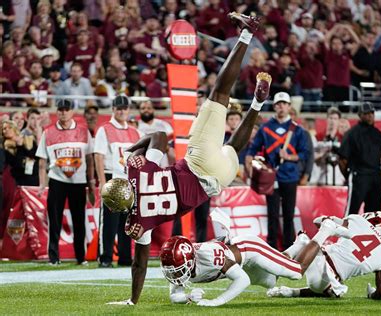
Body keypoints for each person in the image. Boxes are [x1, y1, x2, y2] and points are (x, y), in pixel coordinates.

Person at [104, 12, 269, 305]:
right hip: (196, 162)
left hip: (216, 183)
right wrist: (132, 152)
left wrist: (132, 301)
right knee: (219, 94)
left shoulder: (137, 223)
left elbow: (140, 264)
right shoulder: (136, 170)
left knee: (233, 147)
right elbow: (159, 136)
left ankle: (257, 103)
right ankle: (246, 33)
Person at [160, 223, 302, 306]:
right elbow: (174, 295)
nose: (175, 274)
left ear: (191, 260)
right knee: (271, 281)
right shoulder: (179, 264)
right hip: (241, 264)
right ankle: (299, 244)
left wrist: (216, 301)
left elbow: (243, 279)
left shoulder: (209, 255)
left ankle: (321, 232)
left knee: (296, 273)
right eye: (172, 270)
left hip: (250, 250)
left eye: (178, 270)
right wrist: (188, 297)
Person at [267, 211, 381, 299]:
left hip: (318, 259)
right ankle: (293, 291)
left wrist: (331, 224)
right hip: (326, 283)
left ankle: (298, 245)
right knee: (332, 290)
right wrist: (372, 294)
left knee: (298, 262)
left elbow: (318, 221)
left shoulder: (358, 221)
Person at [246, 91, 310, 250]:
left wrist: (288, 156)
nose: (281, 107)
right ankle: (272, 248)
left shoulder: (298, 130)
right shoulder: (265, 128)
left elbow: (304, 153)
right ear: (274, 106)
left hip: (290, 176)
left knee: (289, 215)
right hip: (271, 177)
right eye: (278, 104)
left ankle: (289, 248)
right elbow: (253, 149)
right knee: (272, 214)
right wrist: (249, 163)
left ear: (289, 106)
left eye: (284, 104)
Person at [36, 99, 95, 265]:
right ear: (57, 111)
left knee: (79, 219)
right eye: (60, 109)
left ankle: (80, 257)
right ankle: (54, 257)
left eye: (66, 109)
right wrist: (42, 183)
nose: (63, 112)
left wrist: (90, 182)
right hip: (57, 180)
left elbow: (89, 159)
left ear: (72, 112)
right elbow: (42, 161)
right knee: (54, 220)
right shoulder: (48, 133)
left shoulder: (84, 131)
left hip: (78, 181)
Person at [94, 95, 142, 268]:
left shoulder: (135, 131)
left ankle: (124, 257)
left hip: (128, 181)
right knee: (109, 222)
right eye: (118, 108)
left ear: (128, 110)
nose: (122, 111)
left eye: (124, 108)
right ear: (113, 109)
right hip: (111, 178)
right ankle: (105, 257)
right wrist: (101, 181)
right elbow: (98, 156)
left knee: (127, 221)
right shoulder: (104, 129)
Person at [339, 102, 381, 216]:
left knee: (375, 214)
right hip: (358, 176)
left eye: (371, 113)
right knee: (351, 213)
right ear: (360, 115)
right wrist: (349, 175)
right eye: (366, 113)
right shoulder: (351, 134)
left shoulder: (379, 135)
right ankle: (344, 234)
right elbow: (342, 159)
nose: (369, 116)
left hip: (375, 177)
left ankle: (371, 234)